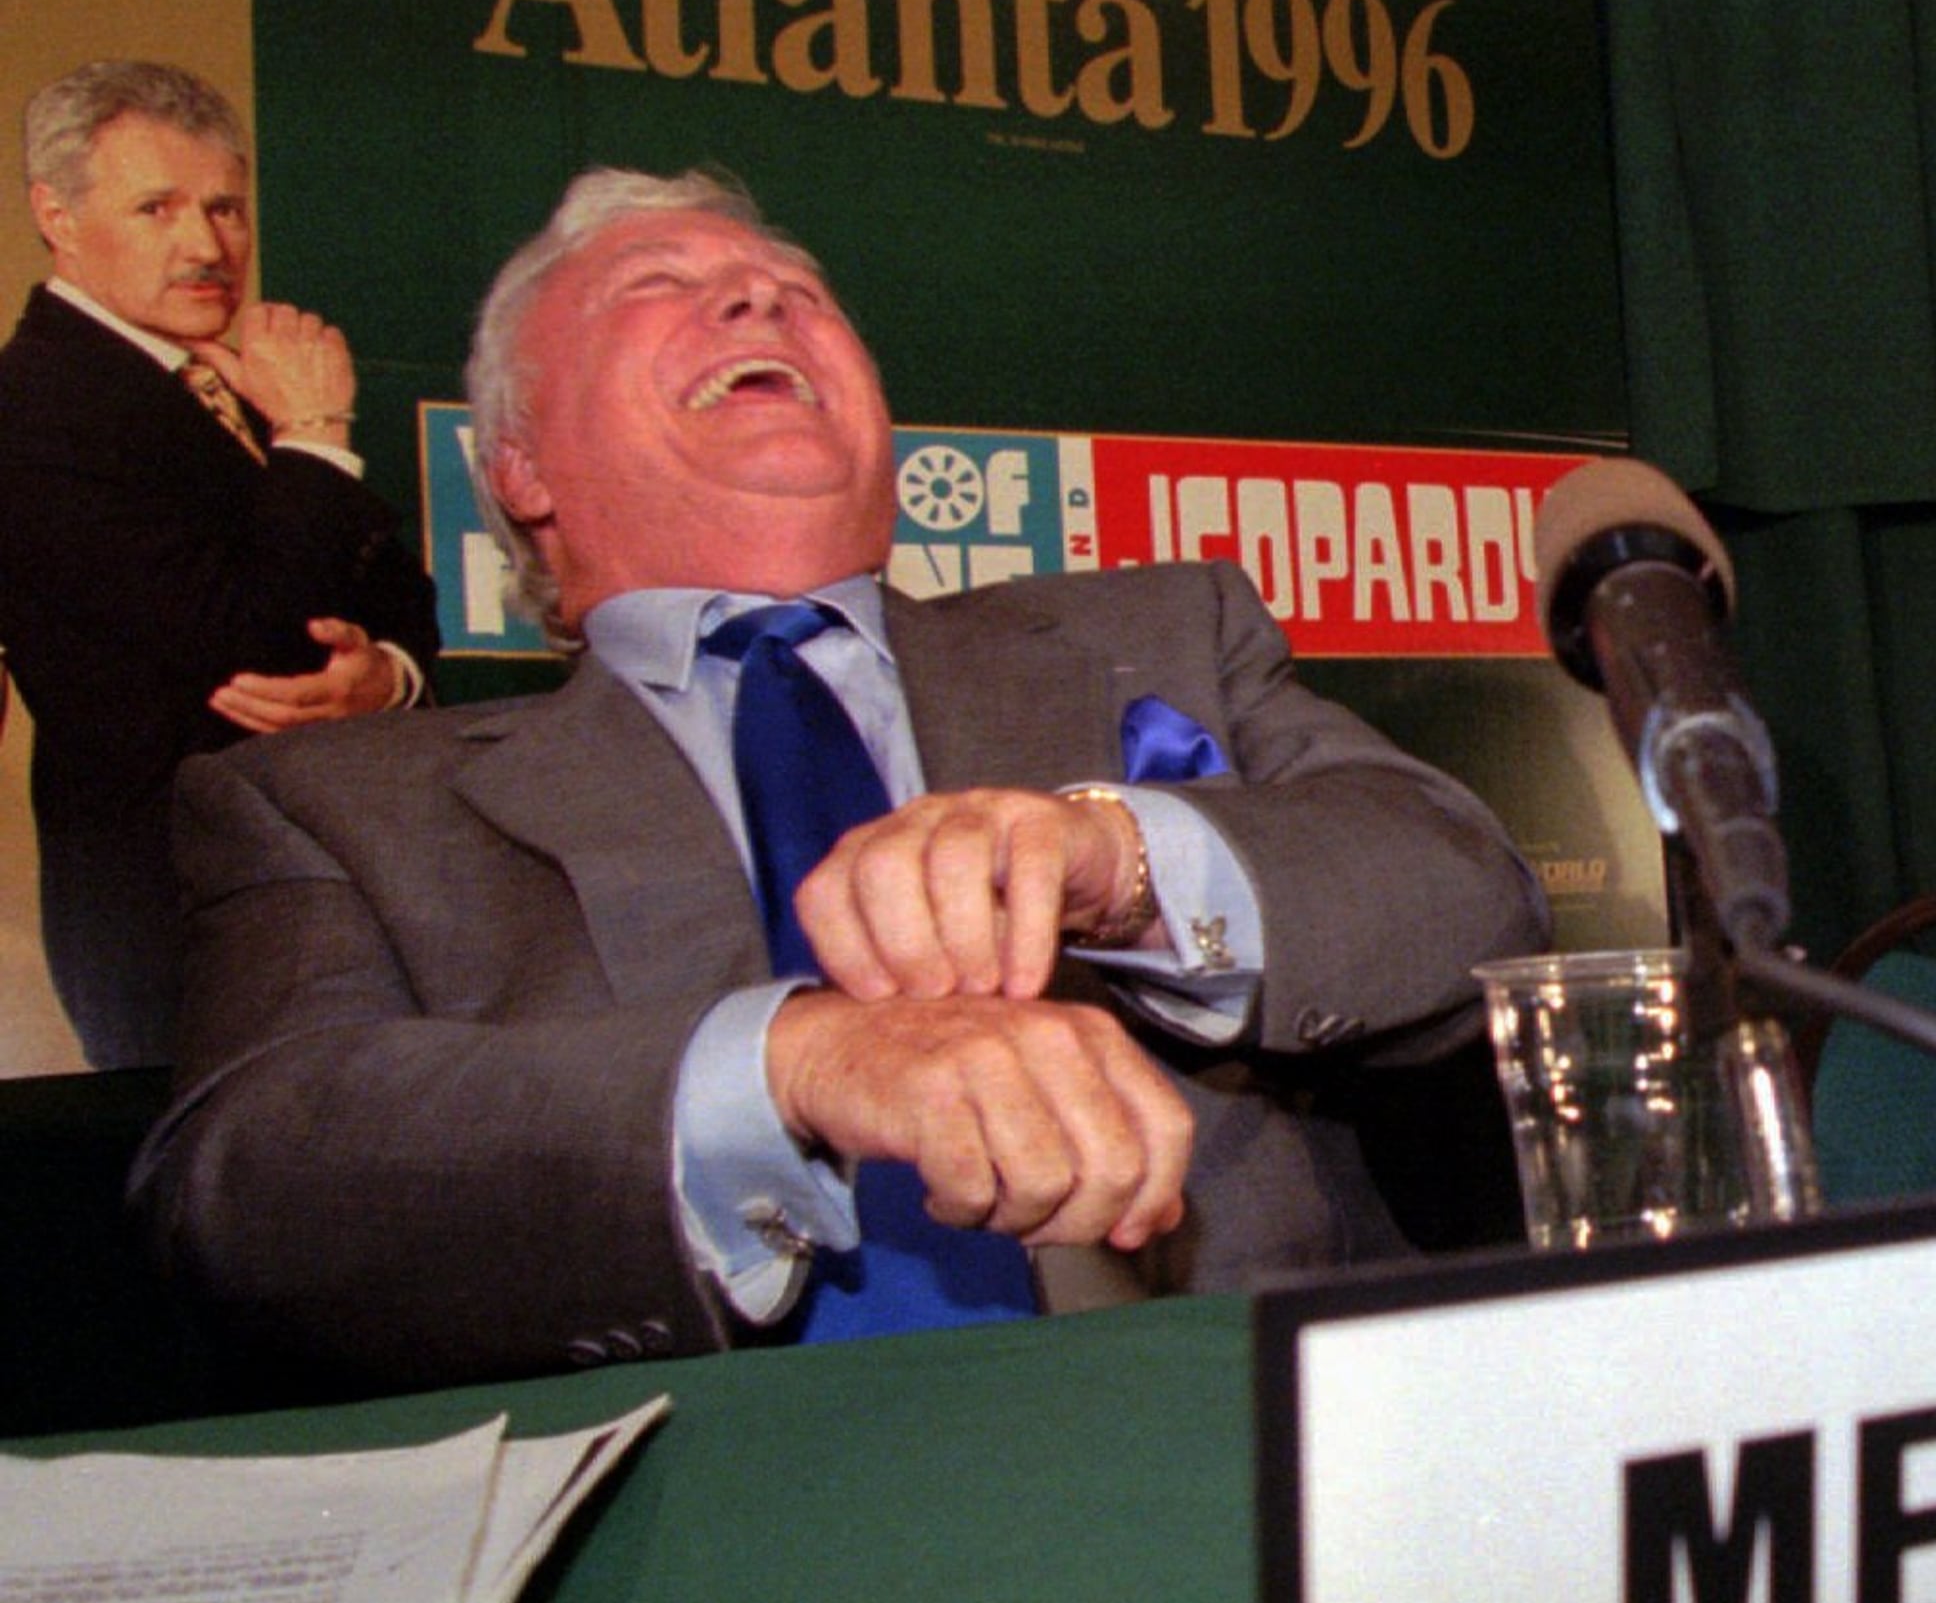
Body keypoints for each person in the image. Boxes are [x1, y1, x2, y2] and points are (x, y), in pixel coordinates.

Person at [135, 167, 1547, 1386]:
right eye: (663, 285)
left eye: (795, 287)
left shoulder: (1161, 634)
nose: (759, 303)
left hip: (1234, 1472)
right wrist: (796, 1066)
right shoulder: (338, 802)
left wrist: (1117, 860)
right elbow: (252, 1185)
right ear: (519, 465)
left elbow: (1471, 897)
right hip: (705, 1563)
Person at [0, 61, 436, 1067]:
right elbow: (250, 644)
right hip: (181, 927)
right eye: (157, 208)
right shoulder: (30, 410)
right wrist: (319, 433)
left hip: (350, 899)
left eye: (226, 209)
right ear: (55, 215)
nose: (207, 246)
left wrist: (388, 679)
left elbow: (401, 595)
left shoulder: (240, 392)